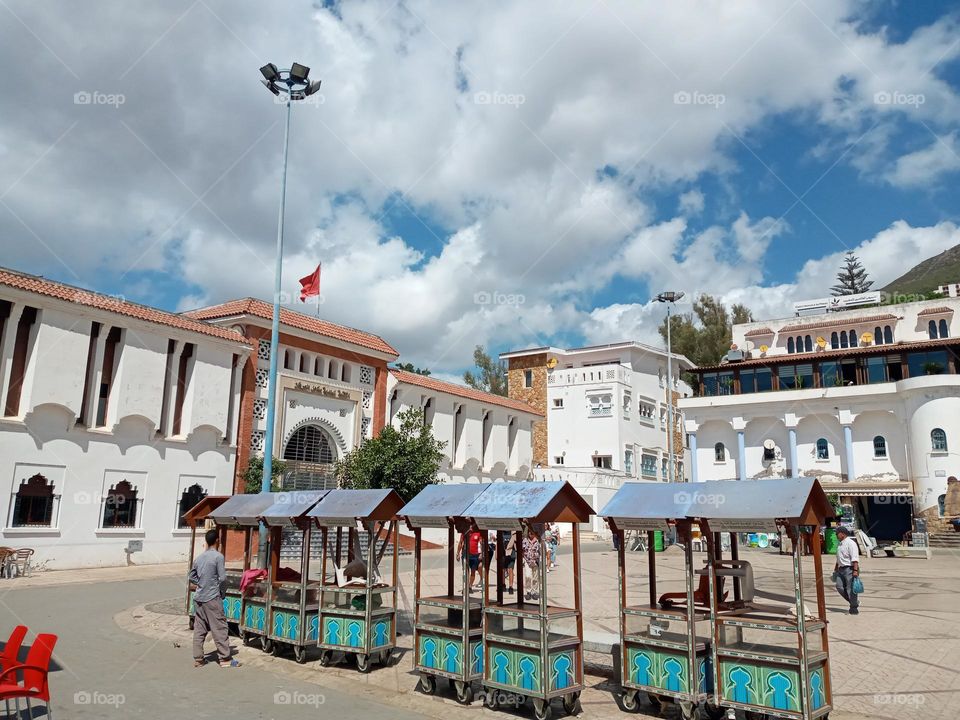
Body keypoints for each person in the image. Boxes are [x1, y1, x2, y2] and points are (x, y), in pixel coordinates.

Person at [190, 528, 239, 667]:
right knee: (220, 627)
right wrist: (222, 592)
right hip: (212, 597)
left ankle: (198, 659)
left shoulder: (199, 558)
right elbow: (222, 578)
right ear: (217, 540)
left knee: (200, 628)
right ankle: (224, 659)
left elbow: (191, 576)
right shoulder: (218, 557)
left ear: (206, 541)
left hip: (199, 597)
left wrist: (201, 583)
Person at [833, 526, 860, 615]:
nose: (836, 535)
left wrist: (855, 570)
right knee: (839, 586)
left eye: (837, 533)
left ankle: (853, 608)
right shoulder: (840, 544)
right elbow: (838, 558)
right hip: (841, 569)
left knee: (850, 588)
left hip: (850, 569)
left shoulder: (851, 543)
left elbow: (855, 557)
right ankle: (854, 602)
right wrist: (836, 568)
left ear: (842, 534)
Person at [522, 527, 541, 601]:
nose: (530, 534)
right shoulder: (525, 540)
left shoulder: (538, 541)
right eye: (529, 532)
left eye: (532, 532)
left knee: (535, 577)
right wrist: (523, 560)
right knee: (528, 576)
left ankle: (535, 591)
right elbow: (522, 550)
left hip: (536, 561)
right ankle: (528, 591)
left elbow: (541, 551)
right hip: (527, 561)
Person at [500, 530, 517, 595]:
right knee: (503, 569)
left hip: (511, 552)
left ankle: (511, 586)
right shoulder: (501, 532)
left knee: (510, 569)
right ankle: (503, 584)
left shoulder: (513, 532)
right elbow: (498, 542)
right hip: (502, 552)